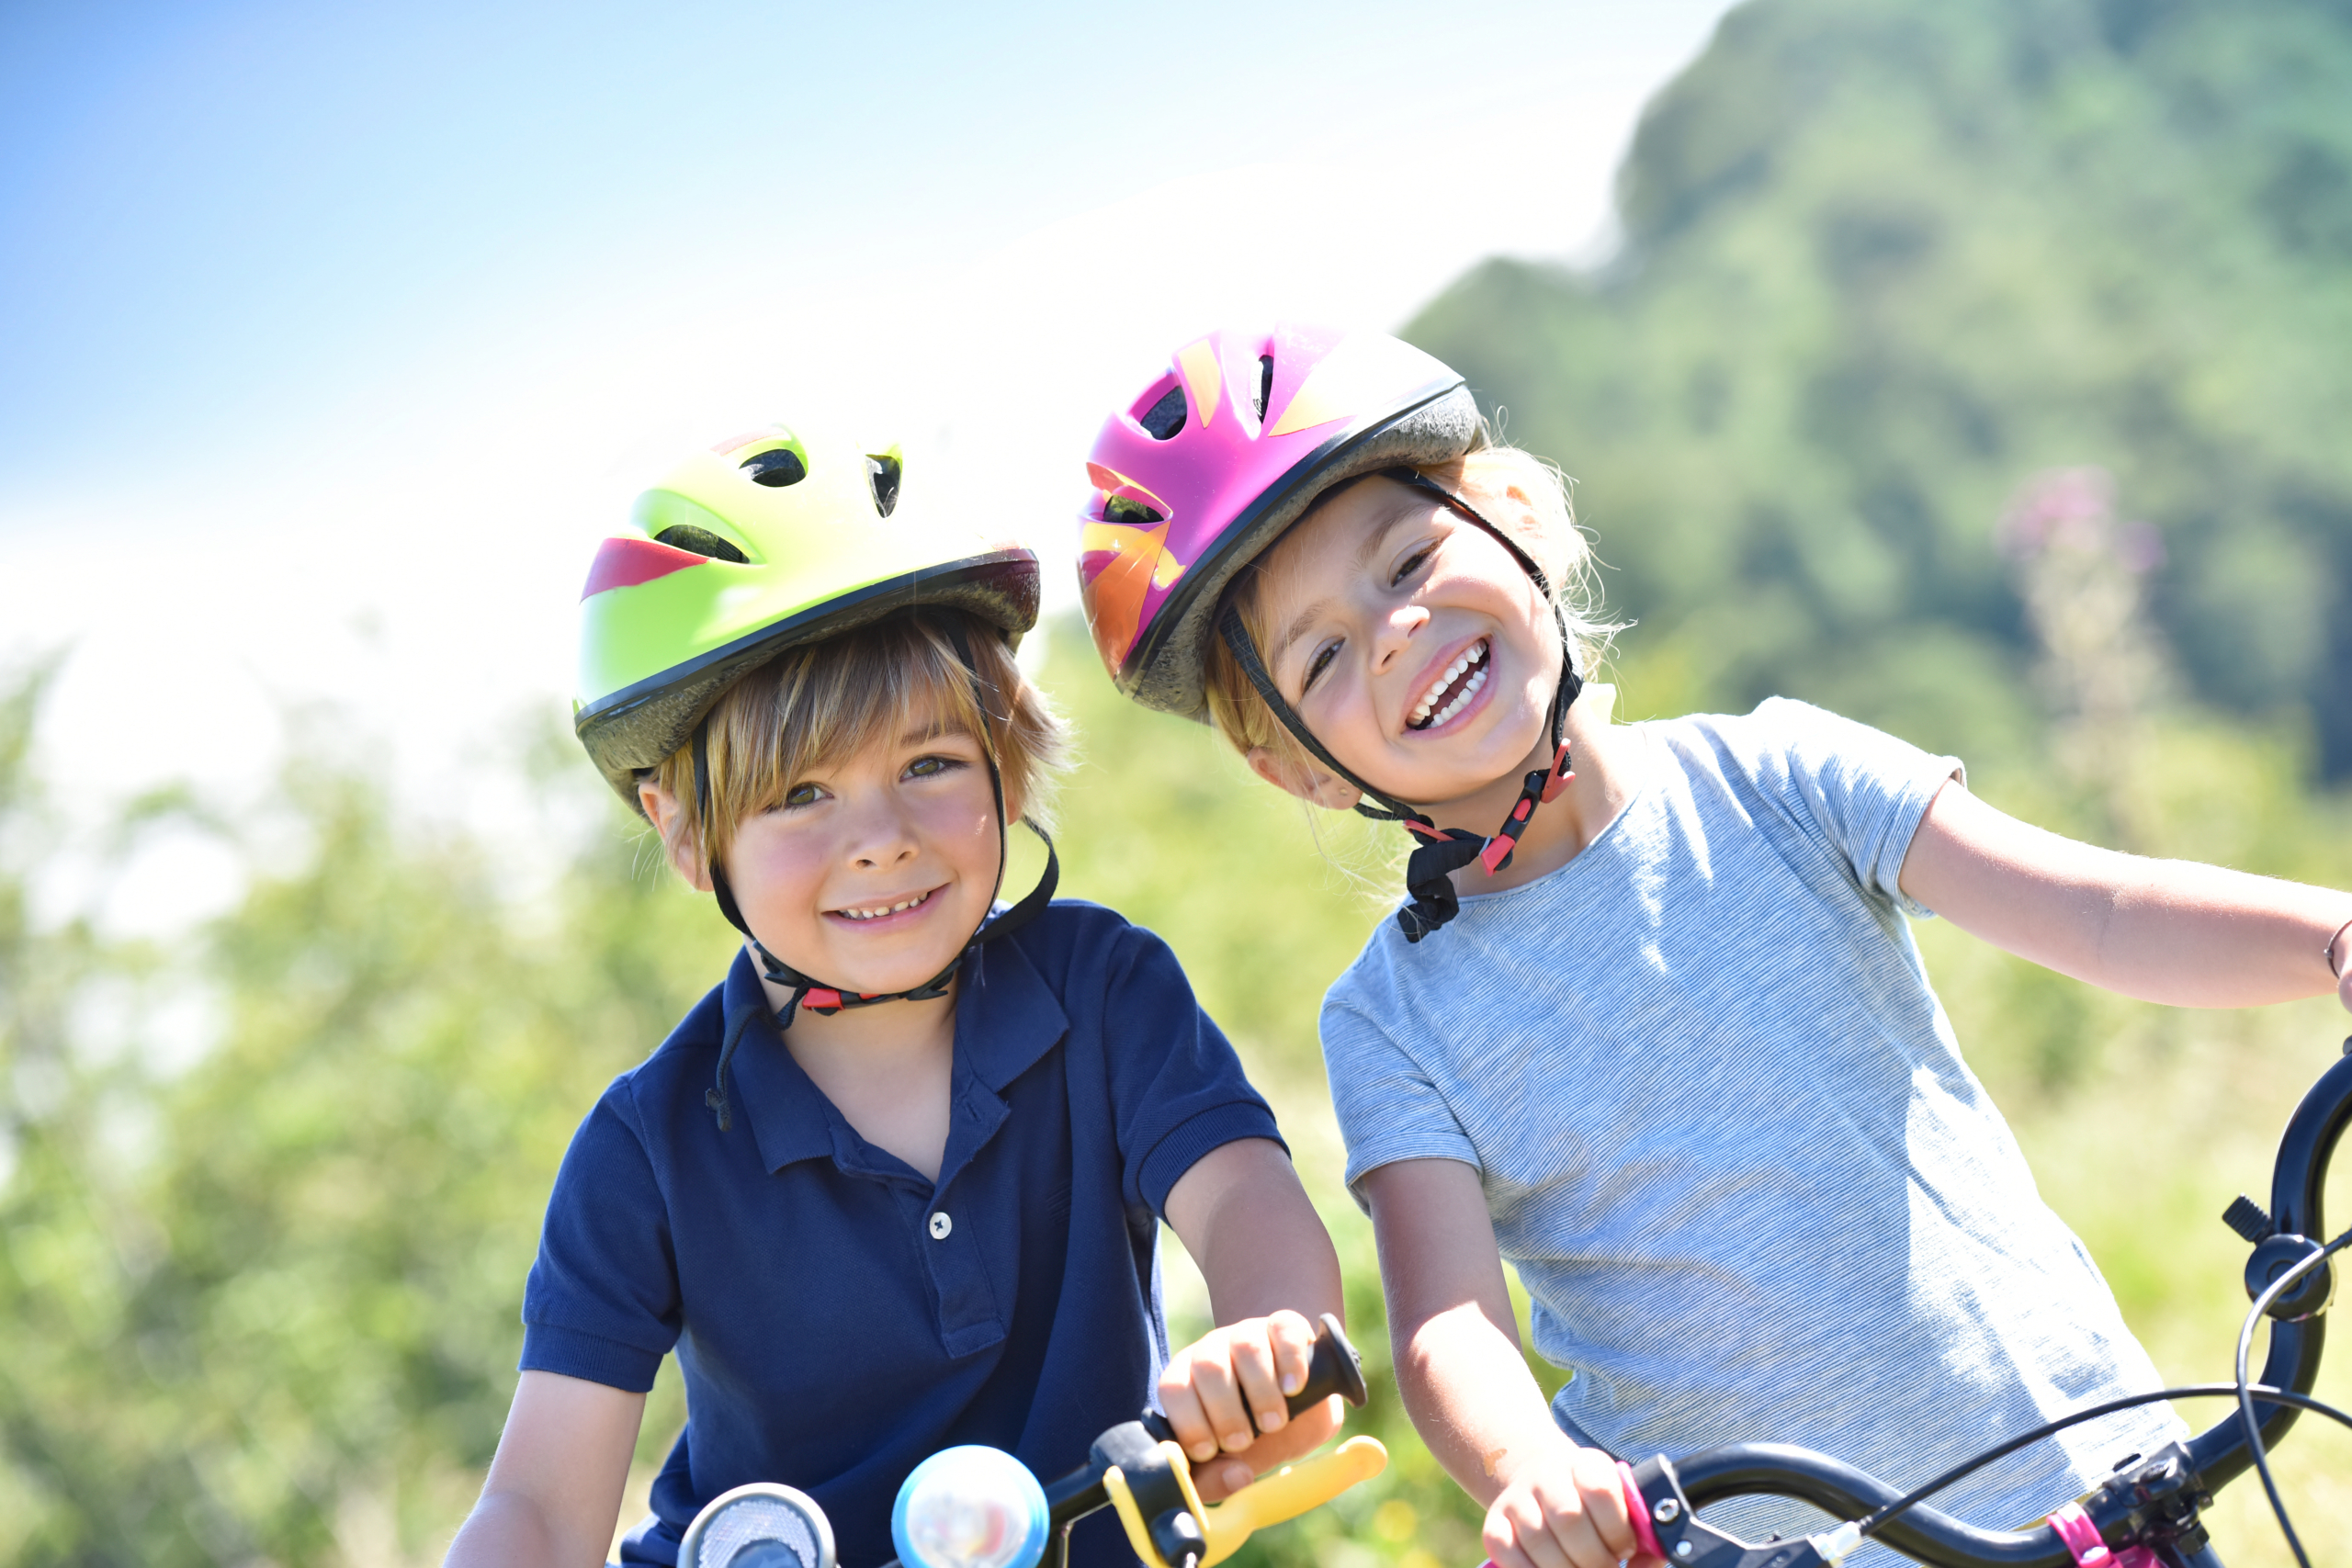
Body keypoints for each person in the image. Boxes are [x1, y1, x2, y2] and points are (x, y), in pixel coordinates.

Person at [1070, 324, 2352, 1565]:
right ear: (1291, 760)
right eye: (1328, 652)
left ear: (1516, 510)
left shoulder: (1778, 773)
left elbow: (2101, 909)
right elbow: (1448, 1323)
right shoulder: (1395, 1018)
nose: (1397, 628)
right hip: (1753, 1546)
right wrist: (1533, 1474)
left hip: (2086, 1483)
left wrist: (2334, 937)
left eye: (1406, 561)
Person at [446, 423, 1345, 1568]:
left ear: (1006, 763)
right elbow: (537, 1508)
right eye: (801, 793)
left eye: (928, 766)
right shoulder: (652, 1147)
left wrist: (1264, 1341)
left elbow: (1243, 1206)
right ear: (686, 835)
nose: (878, 842)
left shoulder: (1106, 995)